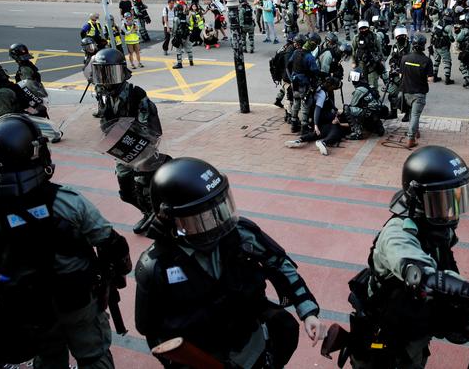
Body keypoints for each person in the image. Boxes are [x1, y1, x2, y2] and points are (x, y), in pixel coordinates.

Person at [323, 146, 469, 368]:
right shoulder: (396, 237)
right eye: (444, 202)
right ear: (418, 199)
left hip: (412, 329)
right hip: (385, 341)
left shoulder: (435, 227)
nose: (452, 212)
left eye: (455, 200)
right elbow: (423, 276)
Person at [134, 157, 327, 367]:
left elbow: (279, 264)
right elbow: (151, 330)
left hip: (251, 346)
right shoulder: (156, 266)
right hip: (203, 359)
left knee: (284, 329)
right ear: (170, 220)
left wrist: (308, 311)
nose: (215, 223)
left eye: (218, 209)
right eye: (199, 218)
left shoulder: (241, 235)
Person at [0, 113, 132, 369]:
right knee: (94, 356)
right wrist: (116, 275)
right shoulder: (68, 201)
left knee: (48, 357)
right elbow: (111, 243)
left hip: (27, 306)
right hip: (77, 299)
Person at [93, 48, 164, 234]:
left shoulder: (137, 95)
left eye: (110, 73)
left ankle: (157, 216)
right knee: (126, 193)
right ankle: (147, 212)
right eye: (101, 73)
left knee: (145, 189)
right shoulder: (104, 94)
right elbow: (104, 122)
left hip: (141, 151)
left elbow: (150, 130)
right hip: (122, 152)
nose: (105, 79)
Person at [285, 77, 344, 155]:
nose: (334, 90)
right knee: (335, 128)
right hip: (319, 119)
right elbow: (317, 110)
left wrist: (335, 110)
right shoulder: (322, 94)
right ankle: (324, 142)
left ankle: (299, 140)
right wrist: (316, 125)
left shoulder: (321, 88)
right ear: (331, 86)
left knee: (320, 132)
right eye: (334, 88)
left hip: (320, 119)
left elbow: (329, 102)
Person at [400, 34, 434, 149]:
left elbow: (401, 75)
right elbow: (430, 79)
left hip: (406, 92)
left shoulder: (405, 58)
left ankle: (416, 131)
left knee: (412, 114)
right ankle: (411, 138)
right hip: (419, 93)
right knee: (415, 115)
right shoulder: (426, 60)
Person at [342, 68, 386, 141]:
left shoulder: (359, 90)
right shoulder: (370, 86)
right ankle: (378, 126)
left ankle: (357, 133)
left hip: (369, 113)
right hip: (377, 112)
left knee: (347, 108)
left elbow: (353, 105)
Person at [9, 43, 49, 119]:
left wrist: (30, 105)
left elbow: (29, 86)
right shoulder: (28, 65)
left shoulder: (25, 69)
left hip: (32, 100)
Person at [352, 20, 384, 89]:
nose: (364, 30)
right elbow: (353, 50)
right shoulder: (356, 38)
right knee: (361, 80)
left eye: (365, 28)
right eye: (362, 29)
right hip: (361, 63)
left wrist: (381, 59)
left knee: (373, 80)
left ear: (368, 28)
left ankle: (374, 94)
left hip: (372, 62)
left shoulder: (374, 36)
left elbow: (379, 48)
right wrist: (354, 62)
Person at [431, 9, 455, 84]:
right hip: (444, 46)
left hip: (435, 45)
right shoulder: (449, 27)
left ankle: (434, 77)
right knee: (447, 62)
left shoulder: (438, 22)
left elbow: (432, 32)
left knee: (436, 61)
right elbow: (452, 39)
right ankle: (447, 79)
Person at [171, 3, 194, 70]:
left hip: (179, 36)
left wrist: (173, 35)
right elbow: (189, 24)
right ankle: (191, 61)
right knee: (189, 48)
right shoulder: (186, 16)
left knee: (178, 50)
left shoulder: (176, 18)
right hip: (186, 35)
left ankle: (179, 63)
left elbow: (174, 29)